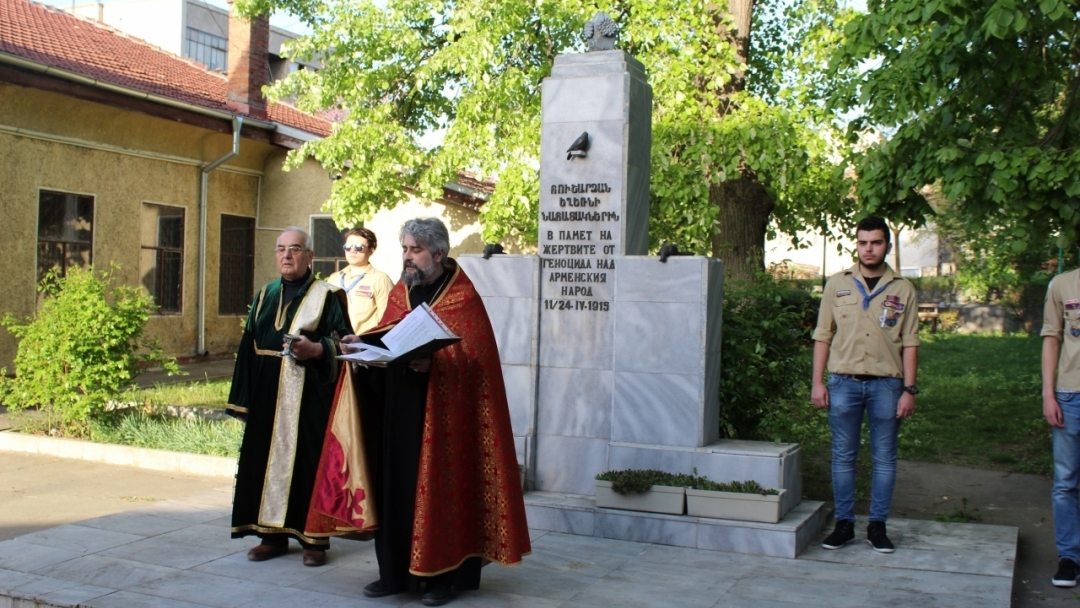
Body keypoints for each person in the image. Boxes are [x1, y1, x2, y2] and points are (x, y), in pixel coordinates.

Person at [309, 217, 530, 606]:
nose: (407, 257)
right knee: (394, 488)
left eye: (416, 250)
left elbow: (476, 362)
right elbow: (388, 333)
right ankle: (393, 574)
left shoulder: (463, 297)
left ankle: (440, 579)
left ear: (438, 254)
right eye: (405, 249)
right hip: (399, 412)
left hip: (444, 421)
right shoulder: (402, 291)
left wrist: (436, 363)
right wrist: (362, 345)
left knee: (440, 494)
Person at [227, 227, 353, 567]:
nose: (287, 255)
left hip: (309, 398)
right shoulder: (264, 295)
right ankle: (271, 537)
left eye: (295, 249)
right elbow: (248, 348)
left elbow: (345, 344)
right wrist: (242, 401)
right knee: (263, 463)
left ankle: (313, 539)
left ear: (309, 256)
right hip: (266, 398)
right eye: (281, 249)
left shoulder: (327, 296)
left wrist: (318, 349)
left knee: (308, 466)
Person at [811, 215, 919, 553]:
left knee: (884, 458)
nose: (868, 249)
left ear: (887, 245)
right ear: (856, 245)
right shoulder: (837, 284)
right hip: (843, 383)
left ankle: (877, 526)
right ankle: (844, 525)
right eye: (862, 242)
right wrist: (817, 383)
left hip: (887, 386)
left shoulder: (903, 288)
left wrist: (909, 389)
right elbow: (823, 335)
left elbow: (911, 341)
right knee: (843, 456)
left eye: (875, 242)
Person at [1042, 267, 1080, 587]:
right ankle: (1069, 558)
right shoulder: (1062, 284)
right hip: (1070, 397)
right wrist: (1048, 394)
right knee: (1066, 482)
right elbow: (1051, 338)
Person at [325, 227, 394, 335]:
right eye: (348, 247)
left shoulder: (381, 280)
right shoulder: (334, 278)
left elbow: (388, 322)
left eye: (358, 247)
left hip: (362, 342)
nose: (352, 251)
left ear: (371, 250)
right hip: (334, 342)